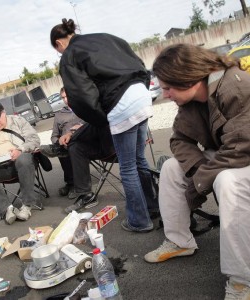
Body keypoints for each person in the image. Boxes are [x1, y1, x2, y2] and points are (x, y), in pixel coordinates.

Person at [144, 44, 250, 299]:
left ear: (189, 78)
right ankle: (179, 240)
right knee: (173, 167)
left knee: (229, 180)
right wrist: (198, 171)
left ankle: (244, 281)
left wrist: (200, 181)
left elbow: (240, 150)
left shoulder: (237, 87)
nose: (165, 95)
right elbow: (179, 141)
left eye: (168, 87)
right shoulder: (192, 99)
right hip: (247, 156)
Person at [50, 18, 157, 232]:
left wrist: (103, 119)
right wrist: (141, 89)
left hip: (120, 103)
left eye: (57, 51)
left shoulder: (69, 55)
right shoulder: (106, 38)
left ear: (59, 44)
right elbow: (139, 64)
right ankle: (154, 208)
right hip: (142, 95)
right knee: (139, 161)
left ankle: (139, 221)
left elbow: (81, 97)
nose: (60, 54)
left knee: (127, 167)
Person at [0, 101, 41, 225]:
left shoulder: (18, 121)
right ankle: (6, 209)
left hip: (21, 164)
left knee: (23, 158)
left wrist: (20, 150)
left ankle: (27, 205)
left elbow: (34, 140)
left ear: (4, 113)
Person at [40, 87, 85, 199]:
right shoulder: (59, 115)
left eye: (67, 96)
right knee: (64, 146)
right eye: (63, 97)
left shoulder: (84, 108)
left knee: (67, 149)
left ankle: (71, 185)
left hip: (84, 140)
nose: (65, 100)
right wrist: (58, 140)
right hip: (66, 144)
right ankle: (71, 184)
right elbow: (54, 135)